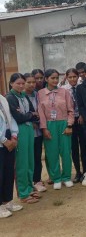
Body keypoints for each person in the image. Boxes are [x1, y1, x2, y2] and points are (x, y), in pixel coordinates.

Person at [37, 69, 74, 190]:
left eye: (56, 78)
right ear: (46, 79)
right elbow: (41, 113)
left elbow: (70, 110)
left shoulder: (64, 92)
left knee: (65, 151)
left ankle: (67, 177)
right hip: (49, 125)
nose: (55, 80)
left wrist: (69, 125)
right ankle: (56, 178)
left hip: (63, 123)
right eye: (52, 78)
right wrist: (44, 128)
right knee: (52, 152)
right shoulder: (40, 93)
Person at [7, 73, 40, 204]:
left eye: (22, 83)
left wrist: (29, 115)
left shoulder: (24, 96)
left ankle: (29, 186)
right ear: (11, 84)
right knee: (21, 162)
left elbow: (34, 114)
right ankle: (23, 192)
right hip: (19, 130)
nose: (21, 86)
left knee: (29, 160)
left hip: (28, 129)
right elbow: (19, 117)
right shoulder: (10, 98)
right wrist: (30, 115)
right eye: (18, 83)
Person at [62, 68, 86, 183]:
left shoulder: (82, 87)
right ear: (66, 78)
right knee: (74, 148)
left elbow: (85, 104)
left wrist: (83, 115)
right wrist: (69, 122)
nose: (72, 79)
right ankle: (78, 171)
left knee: (84, 146)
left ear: (78, 77)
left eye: (74, 77)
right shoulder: (63, 90)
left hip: (82, 119)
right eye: (70, 77)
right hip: (70, 121)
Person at [0, 94, 22, 218]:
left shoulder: (2, 98)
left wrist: (14, 135)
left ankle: (7, 201)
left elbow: (11, 118)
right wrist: (3, 140)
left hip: (9, 136)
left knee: (8, 172)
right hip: (1, 139)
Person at [24, 73, 46, 192]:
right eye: (29, 82)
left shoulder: (37, 95)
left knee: (37, 157)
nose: (32, 84)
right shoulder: (20, 96)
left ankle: (37, 180)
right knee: (27, 159)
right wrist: (30, 118)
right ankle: (28, 183)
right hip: (26, 131)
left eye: (34, 82)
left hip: (38, 131)